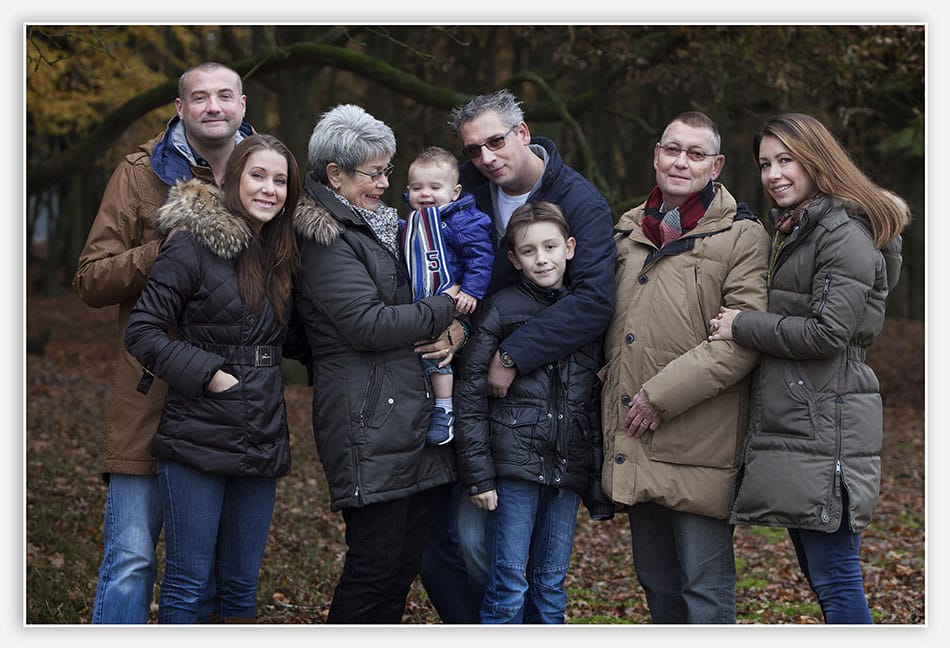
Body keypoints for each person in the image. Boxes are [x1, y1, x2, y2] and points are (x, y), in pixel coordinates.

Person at [418, 88, 616, 623]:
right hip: (475, 399)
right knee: (471, 547)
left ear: (523, 133)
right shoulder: (465, 196)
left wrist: (514, 353)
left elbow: (595, 300)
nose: (487, 158)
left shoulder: (579, 201)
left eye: (496, 142)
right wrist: (457, 326)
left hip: (546, 405)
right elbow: (447, 272)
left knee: (535, 567)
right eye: (475, 150)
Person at [708, 113, 908, 624]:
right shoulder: (803, 228)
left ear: (818, 159)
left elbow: (826, 333)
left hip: (828, 426)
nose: (774, 173)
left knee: (837, 581)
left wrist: (743, 324)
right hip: (807, 423)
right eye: (765, 164)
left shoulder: (843, 233)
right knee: (827, 580)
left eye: (786, 160)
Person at [72, 61, 252, 624]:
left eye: (225, 95)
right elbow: (90, 280)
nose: (213, 107)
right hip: (151, 390)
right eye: (199, 97)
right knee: (130, 557)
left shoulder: (269, 173)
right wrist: (163, 249)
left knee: (212, 571)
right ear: (180, 108)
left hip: (232, 395)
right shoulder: (139, 173)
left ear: (243, 104)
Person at [287, 104, 458, 624]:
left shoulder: (384, 227)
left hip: (403, 410)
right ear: (334, 174)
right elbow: (368, 323)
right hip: (365, 416)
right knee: (374, 566)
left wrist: (453, 325)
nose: (386, 183)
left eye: (388, 170)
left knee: (401, 565)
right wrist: (449, 305)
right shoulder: (325, 236)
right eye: (373, 173)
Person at [599, 111, 770, 624]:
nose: (680, 161)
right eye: (672, 149)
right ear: (656, 155)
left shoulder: (741, 237)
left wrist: (659, 395)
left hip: (699, 440)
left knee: (705, 591)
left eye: (696, 154)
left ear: (715, 165)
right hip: (635, 433)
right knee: (658, 586)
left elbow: (742, 339)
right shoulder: (627, 232)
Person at [123, 133, 300, 623]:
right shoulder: (192, 245)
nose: (269, 189)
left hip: (261, 432)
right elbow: (142, 331)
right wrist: (210, 376)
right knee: (188, 583)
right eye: (258, 176)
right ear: (233, 179)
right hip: (197, 431)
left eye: (280, 180)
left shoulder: (282, 254)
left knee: (241, 588)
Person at [455, 201, 613, 624]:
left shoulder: (588, 313)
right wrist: (480, 475)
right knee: (508, 583)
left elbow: (592, 401)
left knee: (550, 584)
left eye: (550, 247)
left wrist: (595, 479)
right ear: (514, 259)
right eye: (529, 251)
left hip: (565, 468)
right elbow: (469, 393)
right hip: (512, 469)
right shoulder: (501, 309)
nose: (542, 259)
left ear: (571, 247)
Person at [402, 145, 493, 445]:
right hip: (419, 302)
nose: (425, 194)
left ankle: (444, 408)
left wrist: (470, 290)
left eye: (434, 187)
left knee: (436, 353)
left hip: (449, 300)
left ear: (454, 192)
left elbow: (480, 257)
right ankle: (427, 407)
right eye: (417, 188)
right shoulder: (411, 223)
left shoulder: (462, 221)